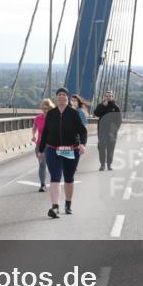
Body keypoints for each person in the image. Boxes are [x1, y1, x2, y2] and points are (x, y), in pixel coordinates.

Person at [37, 88, 88, 218]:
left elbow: (83, 131)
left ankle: (68, 204)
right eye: (59, 95)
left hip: (70, 149)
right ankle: (55, 207)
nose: (61, 97)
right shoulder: (51, 114)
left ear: (67, 98)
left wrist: (82, 144)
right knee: (55, 177)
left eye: (64, 95)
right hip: (53, 149)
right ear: (56, 98)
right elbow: (45, 134)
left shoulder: (73, 113)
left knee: (69, 178)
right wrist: (41, 150)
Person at [93, 90, 122, 171]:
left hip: (112, 132)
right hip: (102, 131)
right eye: (107, 96)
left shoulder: (116, 108)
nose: (108, 97)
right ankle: (102, 165)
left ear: (113, 97)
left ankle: (109, 164)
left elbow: (119, 120)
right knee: (101, 147)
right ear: (105, 97)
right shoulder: (101, 105)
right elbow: (96, 113)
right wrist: (102, 106)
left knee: (110, 148)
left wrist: (115, 130)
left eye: (110, 96)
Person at [31, 98, 55, 191]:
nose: (45, 110)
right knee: (42, 165)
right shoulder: (38, 118)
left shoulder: (54, 118)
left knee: (52, 165)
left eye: (47, 108)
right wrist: (33, 136)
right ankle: (42, 185)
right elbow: (34, 128)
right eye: (43, 108)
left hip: (51, 145)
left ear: (50, 108)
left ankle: (54, 182)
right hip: (40, 145)